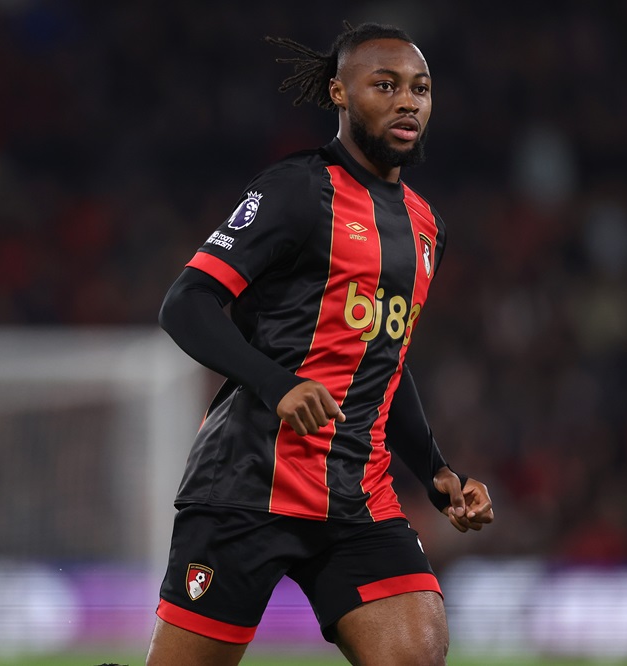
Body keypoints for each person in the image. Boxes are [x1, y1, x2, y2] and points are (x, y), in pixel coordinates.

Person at [149, 22, 494, 666]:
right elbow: (186, 304)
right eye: (384, 85)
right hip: (248, 485)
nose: (407, 102)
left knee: (416, 653)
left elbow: (385, 360)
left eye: (420, 88)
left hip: (356, 497)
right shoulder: (294, 190)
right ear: (339, 92)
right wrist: (278, 384)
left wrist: (438, 471)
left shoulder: (426, 227)